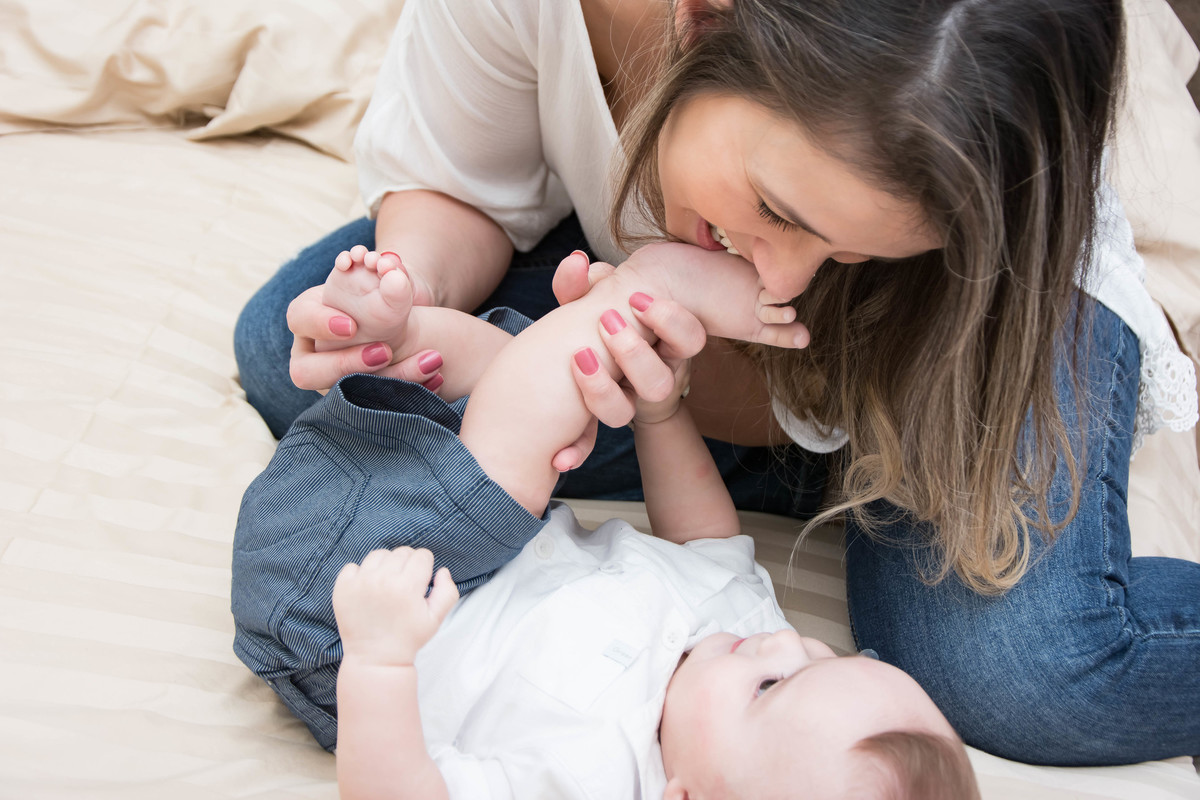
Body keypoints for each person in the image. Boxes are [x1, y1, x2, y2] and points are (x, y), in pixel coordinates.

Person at [233, 0, 1200, 767]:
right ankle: (769, 427)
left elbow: (761, 373)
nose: (780, 278)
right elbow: (459, 189)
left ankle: (843, 413)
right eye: (776, 209)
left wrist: (628, 350)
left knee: (1021, 676)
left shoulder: (918, 239)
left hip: (958, 315)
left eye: (843, 247)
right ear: (703, 20)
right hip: (698, 311)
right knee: (307, 359)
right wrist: (403, 302)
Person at [293, 246, 974, 799]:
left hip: (359, 605)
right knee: (538, 390)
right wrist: (661, 413)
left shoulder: (590, 775)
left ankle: (644, 288)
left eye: (772, 687)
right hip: (475, 523)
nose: (783, 645)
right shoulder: (746, 638)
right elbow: (706, 542)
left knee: (513, 455)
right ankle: (406, 334)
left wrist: (377, 662)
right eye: (824, 656)